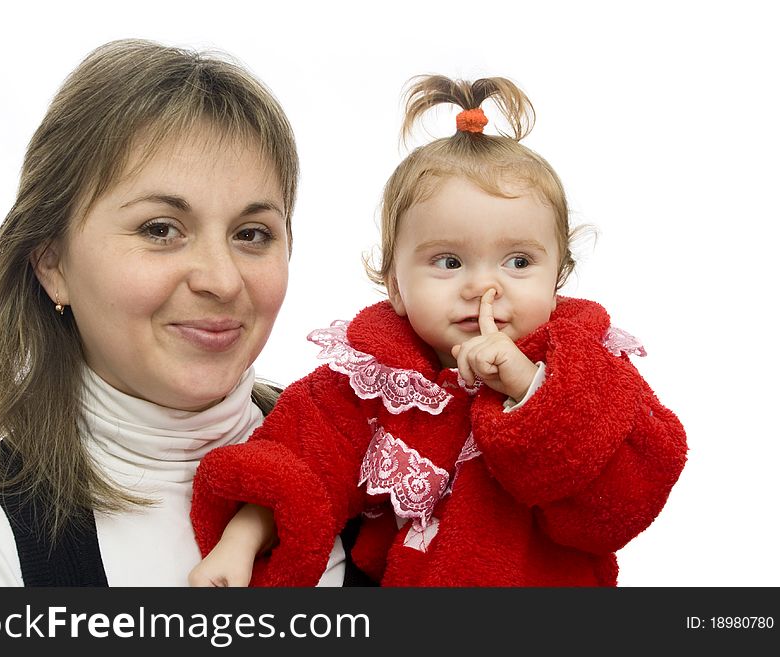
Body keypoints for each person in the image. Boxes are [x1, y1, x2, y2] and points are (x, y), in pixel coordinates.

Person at [188, 75, 688, 587]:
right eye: (448, 262)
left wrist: (528, 390)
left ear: (558, 278)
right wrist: (242, 540)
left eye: (518, 261)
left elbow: (627, 501)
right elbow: (301, 459)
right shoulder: (371, 381)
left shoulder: (589, 368)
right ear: (396, 287)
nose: (482, 287)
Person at [0, 38, 347, 586]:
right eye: (160, 230)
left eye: (251, 234)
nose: (220, 280)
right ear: (52, 263)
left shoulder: (384, 471)